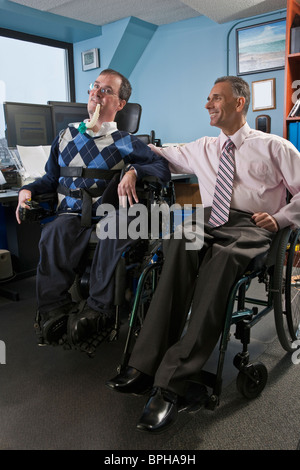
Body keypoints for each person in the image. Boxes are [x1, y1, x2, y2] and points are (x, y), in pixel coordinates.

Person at [106, 75, 300, 433]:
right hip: (210, 217)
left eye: (215, 98)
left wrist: (280, 218)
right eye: (207, 98)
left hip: (253, 224)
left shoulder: (276, 147)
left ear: (239, 102)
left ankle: (171, 384)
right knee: (177, 239)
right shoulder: (204, 146)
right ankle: (144, 365)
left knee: (222, 263)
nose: (207, 104)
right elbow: (158, 154)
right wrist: (133, 168)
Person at [16, 68, 170, 346]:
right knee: (54, 232)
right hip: (72, 214)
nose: (96, 93)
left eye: (106, 90)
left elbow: (161, 167)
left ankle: (98, 310)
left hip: (112, 214)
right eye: (95, 87)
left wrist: (134, 170)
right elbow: (51, 178)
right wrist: (27, 189)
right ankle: (53, 309)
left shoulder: (125, 141)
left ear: (120, 104)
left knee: (114, 231)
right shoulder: (65, 136)